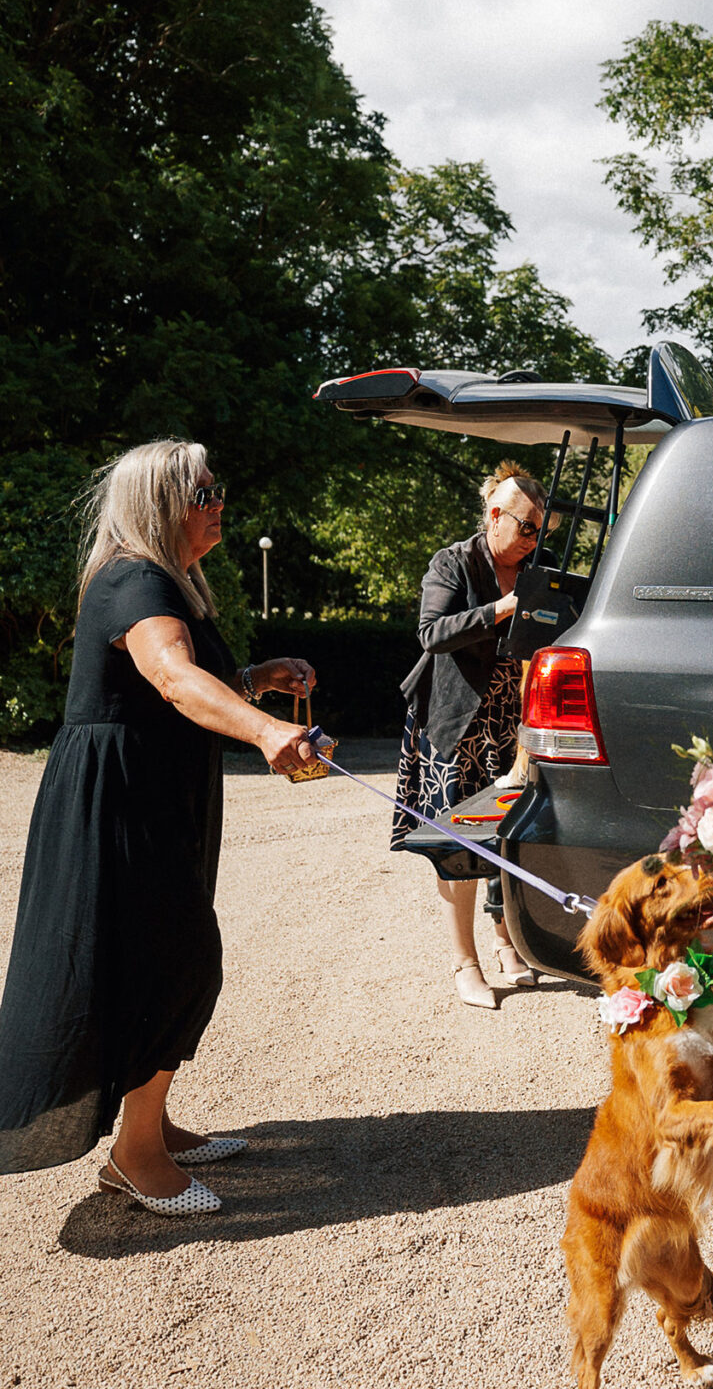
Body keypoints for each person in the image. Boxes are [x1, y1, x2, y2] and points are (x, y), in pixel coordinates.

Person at [0, 440, 325, 1217]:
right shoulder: (134, 578)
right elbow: (171, 679)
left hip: (154, 791)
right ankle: (134, 1156)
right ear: (160, 503)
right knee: (173, 960)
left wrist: (259, 678)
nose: (218, 504)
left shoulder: (169, 581)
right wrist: (264, 731)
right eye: (203, 492)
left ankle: (156, 1125)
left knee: (166, 951)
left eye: (217, 489)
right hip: (120, 800)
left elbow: (185, 678)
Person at [394, 460, 545, 1007]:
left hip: (513, 721)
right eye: (526, 527)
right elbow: (432, 633)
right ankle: (465, 962)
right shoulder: (453, 562)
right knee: (456, 845)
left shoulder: (539, 566)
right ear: (495, 515)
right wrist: (503, 608)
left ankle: (506, 942)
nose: (534, 539)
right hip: (454, 724)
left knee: (507, 837)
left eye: (540, 530)